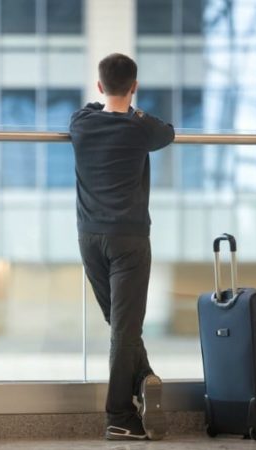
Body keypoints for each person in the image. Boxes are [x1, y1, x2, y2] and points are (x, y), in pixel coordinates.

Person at [69, 53, 175, 441]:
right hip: (128, 239)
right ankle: (118, 415)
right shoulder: (139, 129)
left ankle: (144, 379)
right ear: (134, 86)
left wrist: (111, 103)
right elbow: (168, 132)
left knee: (121, 325)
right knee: (124, 330)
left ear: (99, 86)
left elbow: (93, 108)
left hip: (89, 237)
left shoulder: (80, 123)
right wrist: (135, 109)